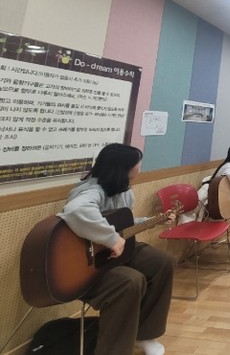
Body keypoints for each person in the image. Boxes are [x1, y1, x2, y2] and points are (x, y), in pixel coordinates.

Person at [57, 143, 175, 355]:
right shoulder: (91, 190)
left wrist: (153, 220)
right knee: (131, 281)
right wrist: (111, 239)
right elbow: (76, 210)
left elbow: (122, 223)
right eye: (137, 163)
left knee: (163, 262)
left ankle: (145, 334)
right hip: (88, 262)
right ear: (123, 168)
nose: (140, 167)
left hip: (116, 253)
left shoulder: (124, 191)